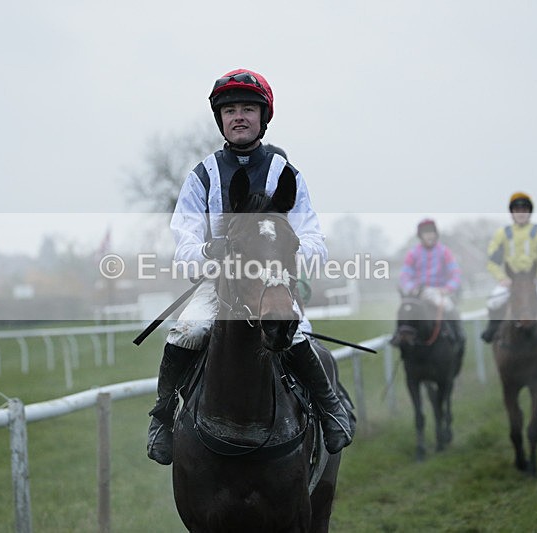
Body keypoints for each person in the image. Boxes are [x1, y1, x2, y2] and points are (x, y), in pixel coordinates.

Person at [146, 69, 352, 465]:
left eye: (247, 109)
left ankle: (329, 409)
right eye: (230, 110)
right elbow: (183, 241)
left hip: (273, 279)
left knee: (293, 333)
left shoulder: (285, 173)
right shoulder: (202, 175)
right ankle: (162, 418)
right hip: (218, 283)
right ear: (220, 119)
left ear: (263, 117)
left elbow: (312, 238)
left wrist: (288, 261)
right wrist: (210, 253)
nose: (238, 116)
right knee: (187, 330)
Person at [480, 192, 537, 344]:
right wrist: (502, 278)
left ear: (530, 212)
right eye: (517, 210)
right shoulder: (503, 234)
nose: (521, 214)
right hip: (512, 280)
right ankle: (492, 328)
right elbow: (492, 261)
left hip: (536, 278)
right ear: (512, 213)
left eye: (524, 210)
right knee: (493, 302)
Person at [390, 218, 465, 348]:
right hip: (419, 292)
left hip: (439, 292)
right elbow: (404, 276)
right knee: (405, 309)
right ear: (420, 236)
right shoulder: (413, 253)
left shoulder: (444, 251)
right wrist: (412, 288)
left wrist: (447, 289)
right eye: (426, 233)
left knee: (451, 309)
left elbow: (456, 274)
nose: (429, 236)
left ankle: (458, 337)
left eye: (432, 233)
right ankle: (399, 337)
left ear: (436, 234)